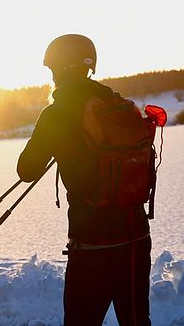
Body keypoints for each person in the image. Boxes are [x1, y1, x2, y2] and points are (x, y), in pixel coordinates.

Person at [17, 34, 152, 326]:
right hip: (136, 238)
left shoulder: (57, 113)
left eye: (51, 69)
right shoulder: (115, 103)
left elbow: (26, 170)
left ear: (60, 69)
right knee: (137, 322)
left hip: (92, 243)